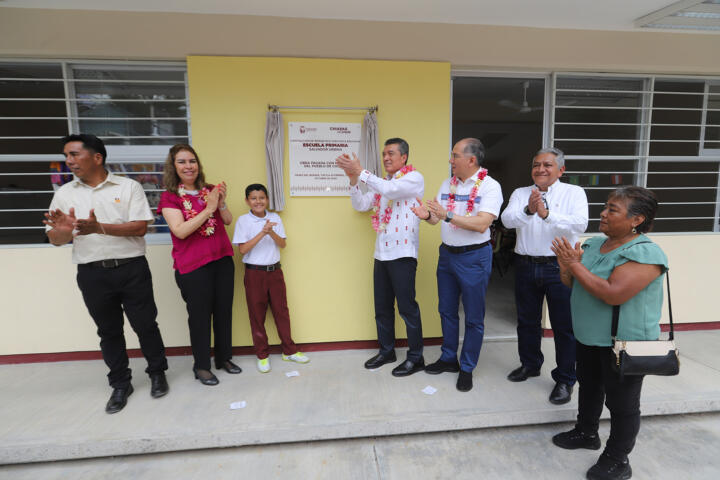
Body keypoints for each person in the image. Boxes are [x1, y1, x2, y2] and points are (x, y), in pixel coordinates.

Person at [43, 134, 169, 414]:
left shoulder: (128, 187)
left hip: (131, 268)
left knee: (146, 325)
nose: (69, 161)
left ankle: (157, 372)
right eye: (67, 155)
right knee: (109, 331)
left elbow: (139, 227)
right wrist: (63, 230)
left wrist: (99, 228)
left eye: (75, 154)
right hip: (92, 273)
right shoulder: (65, 193)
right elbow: (55, 238)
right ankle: (121, 383)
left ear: (96, 157)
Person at [551, 186, 667, 480]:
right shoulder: (593, 245)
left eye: (612, 210)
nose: (603, 213)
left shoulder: (645, 252)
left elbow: (613, 294)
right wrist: (567, 267)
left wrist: (574, 266)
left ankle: (618, 459)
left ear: (636, 220)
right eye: (605, 207)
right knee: (589, 387)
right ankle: (586, 432)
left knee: (622, 403)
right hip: (589, 336)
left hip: (624, 342)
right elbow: (572, 284)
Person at [411, 138, 502, 392]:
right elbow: (438, 219)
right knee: (447, 310)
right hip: (448, 255)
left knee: (473, 316)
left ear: (471, 160)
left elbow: (482, 223)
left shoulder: (490, 187)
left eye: (454, 156)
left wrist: (446, 214)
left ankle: (467, 367)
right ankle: (449, 358)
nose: (450, 160)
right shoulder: (447, 184)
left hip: (474, 257)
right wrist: (427, 216)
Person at [500, 147, 588, 405]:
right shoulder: (520, 193)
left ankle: (565, 379)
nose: (540, 169)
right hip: (526, 264)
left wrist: (547, 215)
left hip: (560, 265)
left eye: (547, 165)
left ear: (561, 169)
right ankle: (530, 364)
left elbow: (580, 223)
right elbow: (506, 221)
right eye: (536, 165)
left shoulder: (574, 193)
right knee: (527, 321)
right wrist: (528, 210)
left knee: (564, 326)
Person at [335, 138, 425, 377]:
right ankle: (387, 351)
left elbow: (391, 191)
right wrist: (353, 179)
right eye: (384, 153)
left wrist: (361, 171)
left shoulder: (413, 179)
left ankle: (416, 358)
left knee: (407, 308)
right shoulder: (382, 182)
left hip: (403, 254)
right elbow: (361, 204)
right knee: (382, 307)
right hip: (381, 254)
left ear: (404, 157)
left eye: (391, 153)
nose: (386, 157)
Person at [158, 144, 239, 386]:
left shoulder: (210, 190)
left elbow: (226, 220)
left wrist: (221, 202)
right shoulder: (170, 197)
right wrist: (209, 209)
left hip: (222, 260)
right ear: (173, 166)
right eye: (182, 161)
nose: (188, 166)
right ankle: (202, 366)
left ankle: (224, 358)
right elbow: (181, 231)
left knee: (224, 312)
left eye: (192, 161)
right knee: (200, 317)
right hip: (193, 267)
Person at [232, 183, 309, 373]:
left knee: (281, 311)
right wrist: (262, 232)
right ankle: (262, 355)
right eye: (253, 198)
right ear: (247, 201)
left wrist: (271, 231)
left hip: (275, 272)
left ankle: (289, 350)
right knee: (257, 315)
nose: (258, 202)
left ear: (267, 199)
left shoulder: (274, 218)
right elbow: (242, 249)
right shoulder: (243, 220)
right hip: (254, 273)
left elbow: (282, 244)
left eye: (262, 198)